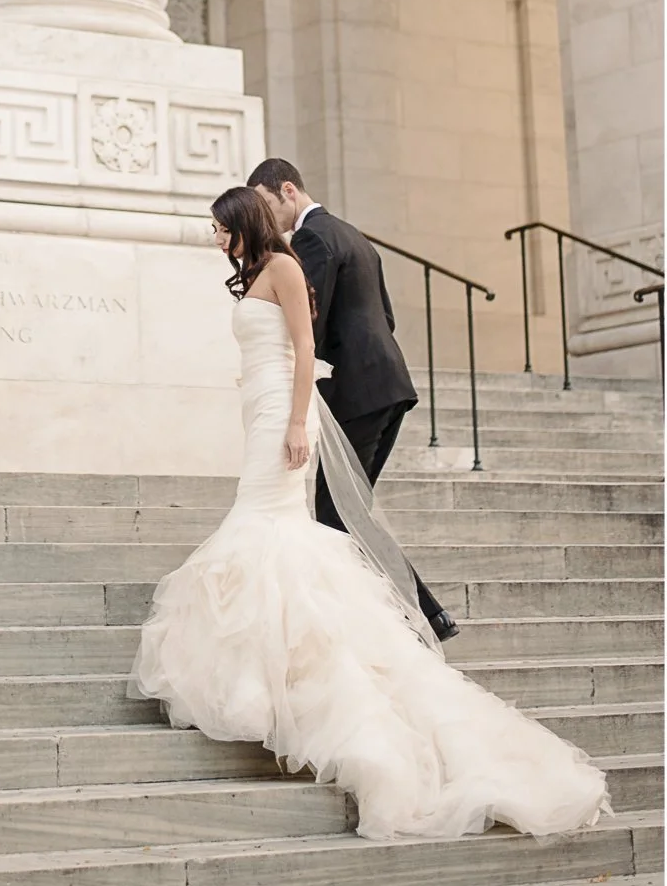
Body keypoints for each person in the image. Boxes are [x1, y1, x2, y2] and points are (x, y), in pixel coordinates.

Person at [128, 185, 610, 842]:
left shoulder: (288, 266)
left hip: (283, 415)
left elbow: (305, 351)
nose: (216, 239)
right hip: (259, 408)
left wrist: (298, 424)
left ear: (245, 222)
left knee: (268, 531)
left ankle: (287, 677)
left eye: (220, 228)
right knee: (265, 530)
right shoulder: (254, 276)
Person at [248, 157, 458, 642]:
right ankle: (417, 615)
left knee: (335, 512)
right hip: (386, 386)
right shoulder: (353, 234)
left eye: (265, 205)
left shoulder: (311, 239)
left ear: (287, 190)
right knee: (347, 510)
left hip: (357, 392)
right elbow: (385, 315)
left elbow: (309, 326)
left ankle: (416, 616)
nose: (264, 219)